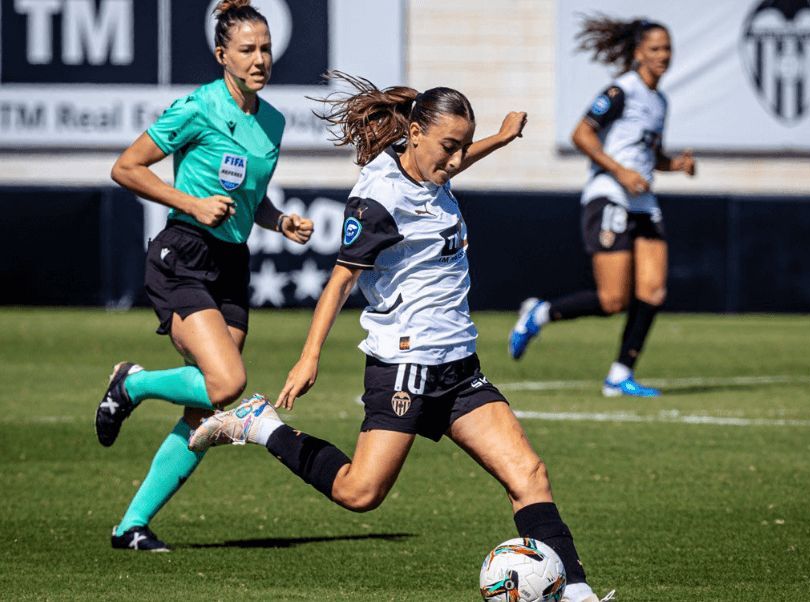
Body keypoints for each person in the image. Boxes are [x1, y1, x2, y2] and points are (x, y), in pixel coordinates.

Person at [188, 74, 615, 602]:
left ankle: (577, 592)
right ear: (414, 133)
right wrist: (308, 357)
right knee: (359, 492)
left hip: (460, 368)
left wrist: (500, 140)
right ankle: (261, 426)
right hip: (405, 370)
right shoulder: (378, 199)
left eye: (463, 147)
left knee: (528, 473)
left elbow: (448, 164)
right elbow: (340, 282)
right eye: (448, 147)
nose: (456, 161)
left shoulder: (431, 170)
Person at [95, 0, 313, 551]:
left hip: (231, 264)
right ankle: (133, 382)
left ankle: (130, 527)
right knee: (229, 384)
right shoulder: (198, 107)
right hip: (183, 255)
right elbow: (126, 167)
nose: (261, 58)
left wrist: (279, 220)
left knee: (208, 407)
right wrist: (190, 203)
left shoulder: (273, 121)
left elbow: (250, 199)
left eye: (265, 48)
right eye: (248, 50)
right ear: (223, 55)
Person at [508, 16, 695, 398]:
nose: (663, 55)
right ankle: (538, 314)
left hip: (643, 202)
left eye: (667, 48)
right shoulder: (620, 91)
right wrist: (620, 172)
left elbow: (649, 155)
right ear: (638, 53)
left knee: (654, 291)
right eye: (656, 48)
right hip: (609, 194)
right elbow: (580, 133)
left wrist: (675, 165)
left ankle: (619, 375)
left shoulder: (660, 101)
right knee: (612, 300)